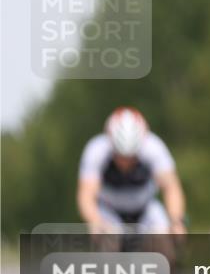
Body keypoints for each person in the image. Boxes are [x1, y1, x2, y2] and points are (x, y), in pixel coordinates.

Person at [78, 107, 187, 254]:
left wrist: (176, 221)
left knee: (164, 247)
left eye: (131, 158)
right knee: (107, 247)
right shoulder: (96, 151)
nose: (125, 163)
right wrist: (94, 221)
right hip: (109, 212)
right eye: (120, 157)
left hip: (145, 210)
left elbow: (171, 187)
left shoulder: (155, 148)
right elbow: (86, 195)